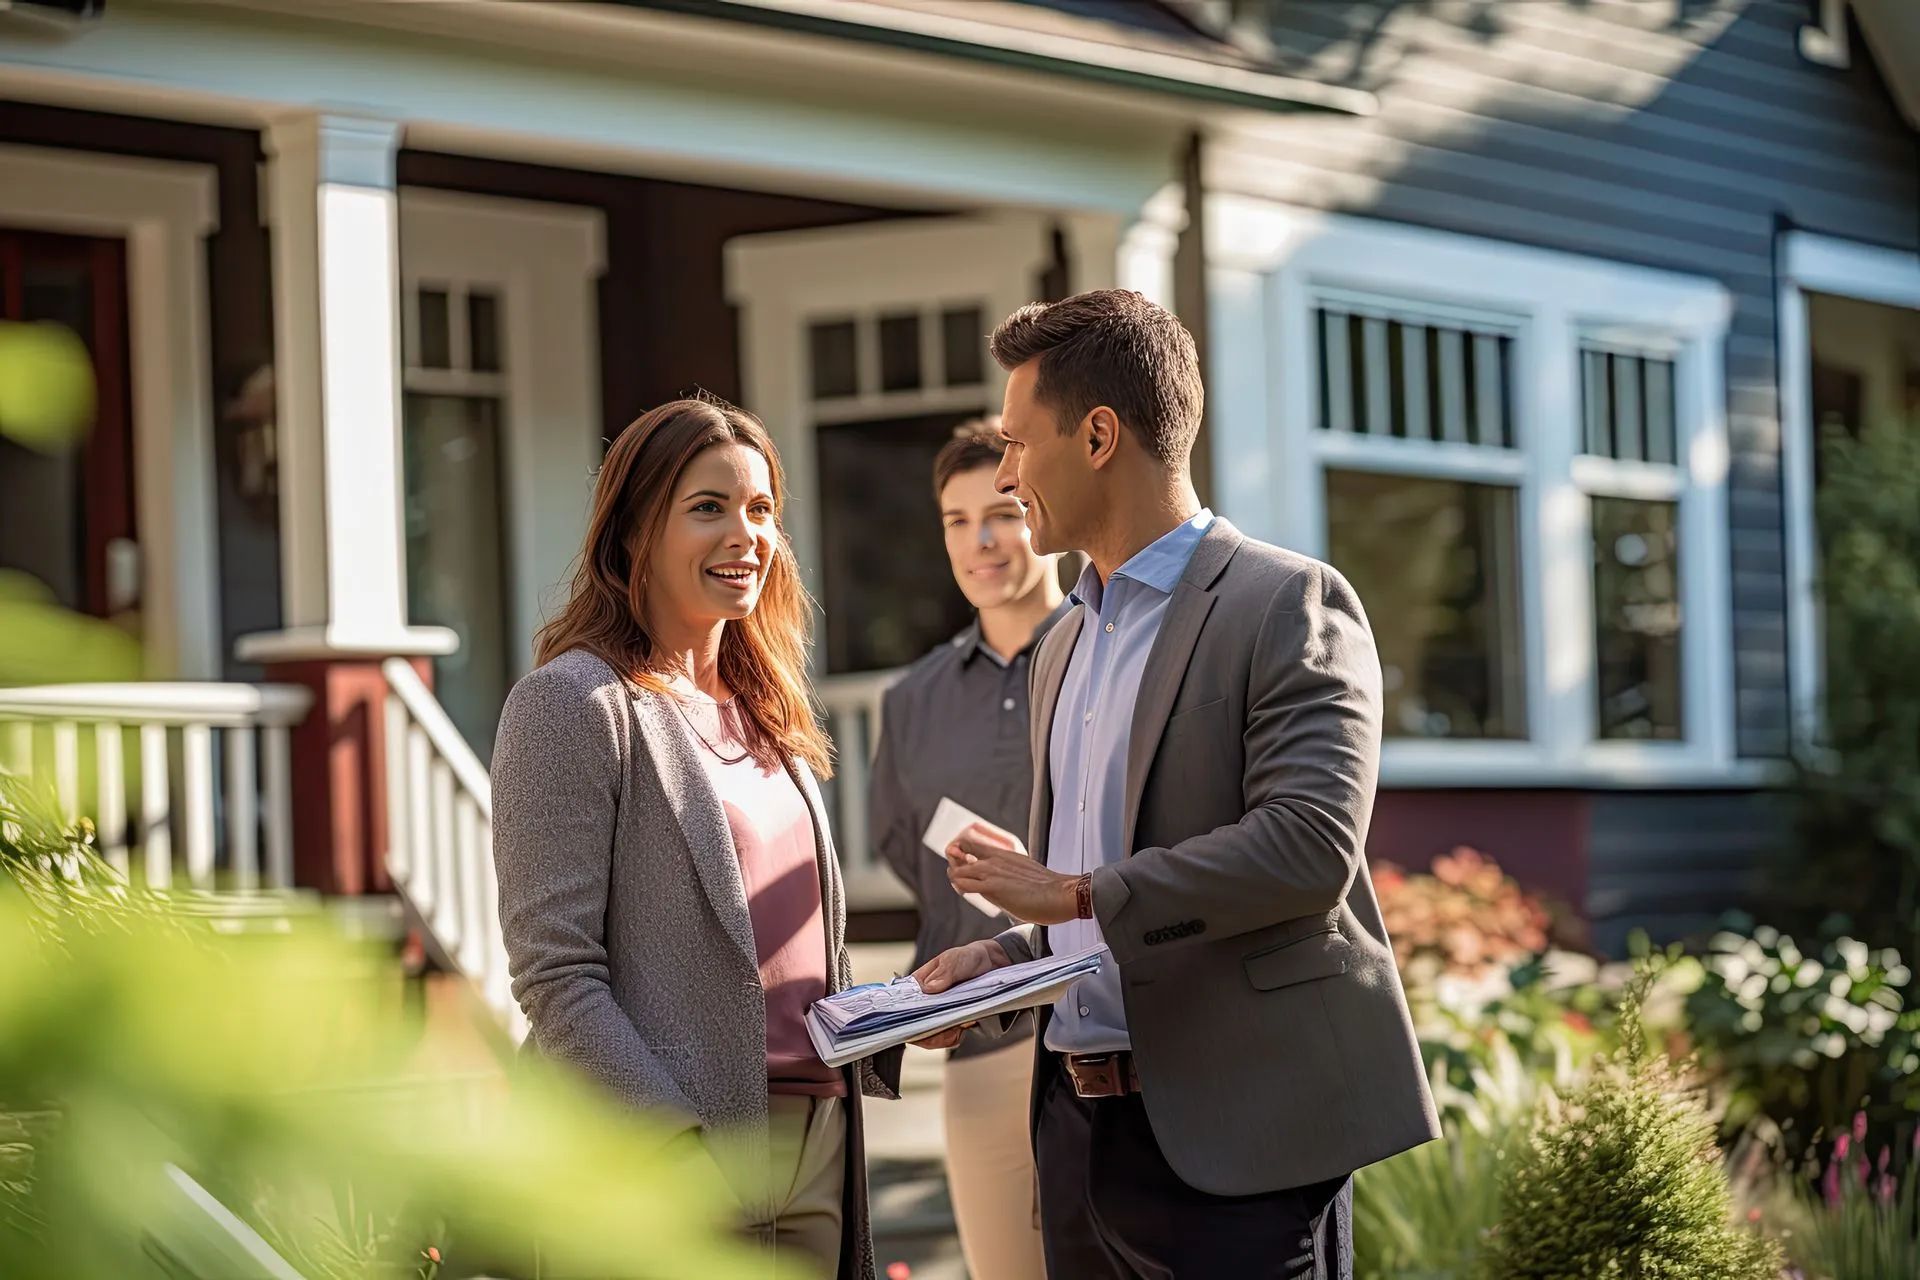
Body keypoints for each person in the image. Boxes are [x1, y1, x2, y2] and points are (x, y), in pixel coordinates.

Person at [910, 291, 1441, 1278]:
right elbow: (1101, 896)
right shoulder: (1061, 644)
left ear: (1099, 435)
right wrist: (1008, 957)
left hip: (1242, 1144)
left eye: (1020, 443)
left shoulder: (1287, 601)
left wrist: (1071, 895)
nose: (1009, 474)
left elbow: (1309, 848)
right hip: (1076, 1138)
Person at [490, 397, 901, 1280]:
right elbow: (555, 976)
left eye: (761, 509)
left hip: (819, 1143)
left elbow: (790, 961)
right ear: (634, 530)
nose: (745, 535)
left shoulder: (768, 712)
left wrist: (908, 1014)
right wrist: (674, 1151)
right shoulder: (571, 704)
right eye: (708, 507)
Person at [868, 418, 1065, 1280]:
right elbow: (906, 853)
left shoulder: (1110, 660)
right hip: (983, 1046)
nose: (980, 540)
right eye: (957, 519)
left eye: (1002, 513)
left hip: (1113, 1035)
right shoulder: (911, 702)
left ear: (1042, 511)